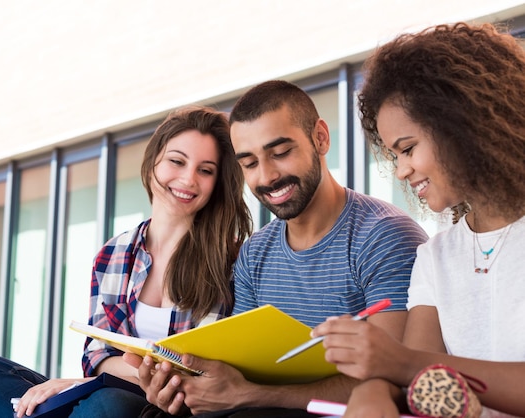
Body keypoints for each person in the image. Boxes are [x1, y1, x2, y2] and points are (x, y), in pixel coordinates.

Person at [126, 80, 429, 417]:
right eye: (250, 164)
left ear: (321, 138)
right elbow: (239, 374)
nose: (267, 176)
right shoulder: (255, 254)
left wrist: (251, 395)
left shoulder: (385, 237)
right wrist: (181, 389)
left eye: (281, 153)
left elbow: (394, 379)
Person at [0, 105, 252, 418]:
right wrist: (89, 381)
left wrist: (89, 382)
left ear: (217, 183)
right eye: (177, 161)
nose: (188, 178)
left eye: (205, 170)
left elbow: (198, 375)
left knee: (107, 404)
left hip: (171, 408)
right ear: (153, 160)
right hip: (105, 389)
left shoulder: (231, 263)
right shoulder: (114, 253)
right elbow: (98, 352)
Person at [312, 22, 525, 417]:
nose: (401, 171)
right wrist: (371, 393)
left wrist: (400, 364)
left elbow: (411, 364)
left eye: (408, 149)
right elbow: (418, 375)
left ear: (464, 125)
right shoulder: (437, 255)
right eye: (394, 155)